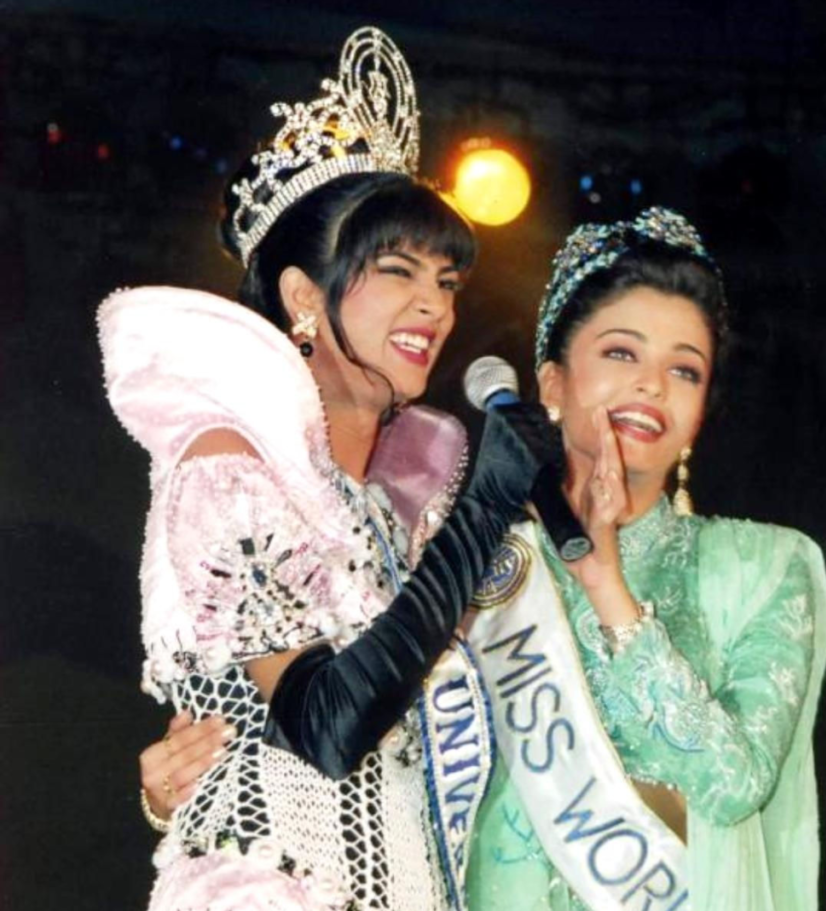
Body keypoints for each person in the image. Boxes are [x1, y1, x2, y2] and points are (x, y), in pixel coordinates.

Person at [101, 27, 560, 911]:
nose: (434, 303)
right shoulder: (228, 467)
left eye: (448, 281)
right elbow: (325, 725)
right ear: (304, 297)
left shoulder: (394, 511)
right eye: (397, 271)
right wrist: (486, 506)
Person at [462, 208, 826, 911]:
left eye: (684, 369)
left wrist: (606, 585)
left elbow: (734, 783)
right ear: (550, 383)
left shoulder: (761, 569)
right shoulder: (476, 563)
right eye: (622, 353)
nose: (653, 386)